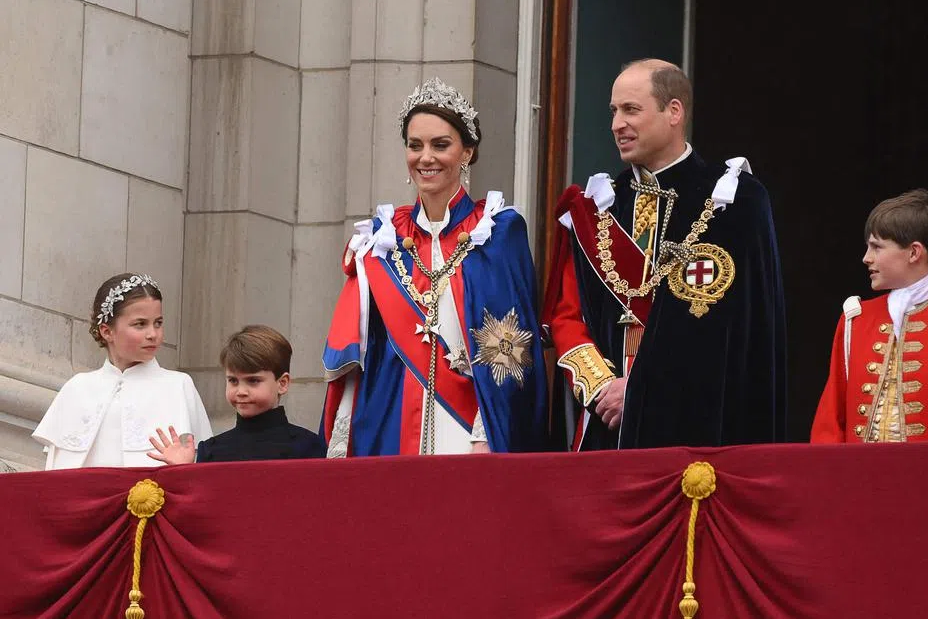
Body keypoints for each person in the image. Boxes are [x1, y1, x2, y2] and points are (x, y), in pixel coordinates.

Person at [543, 58, 786, 449]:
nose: (616, 124)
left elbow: (738, 333)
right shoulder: (598, 209)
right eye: (614, 111)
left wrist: (641, 391)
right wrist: (603, 388)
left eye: (631, 110)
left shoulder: (735, 201)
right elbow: (567, 316)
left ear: (674, 112)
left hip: (697, 428)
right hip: (608, 425)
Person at [320, 77, 547, 456]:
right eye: (415, 146)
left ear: (467, 153)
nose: (425, 158)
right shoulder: (383, 239)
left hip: (470, 427)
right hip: (391, 421)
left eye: (441, 145)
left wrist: (485, 435)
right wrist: (341, 441)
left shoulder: (497, 230)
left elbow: (511, 342)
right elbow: (360, 349)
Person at [810, 189, 928, 442]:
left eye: (876, 247)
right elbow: (832, 412)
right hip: (857, 474)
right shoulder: (856, 318)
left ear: (914, 253)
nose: (866, 258)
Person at [32, 273, 212, 469]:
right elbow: (56, 471)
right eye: (140, 324)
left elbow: (202, 467)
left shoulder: (179, 386)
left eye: (158, 323)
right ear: (107, 331)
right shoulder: (77, 388)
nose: (153, 334)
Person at [147, 325, 325, 463]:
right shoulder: (210, 450)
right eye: (233, 381)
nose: (241, 391)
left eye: (253, 381)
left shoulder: (308, 446)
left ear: (282, 383)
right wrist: (185, 471)